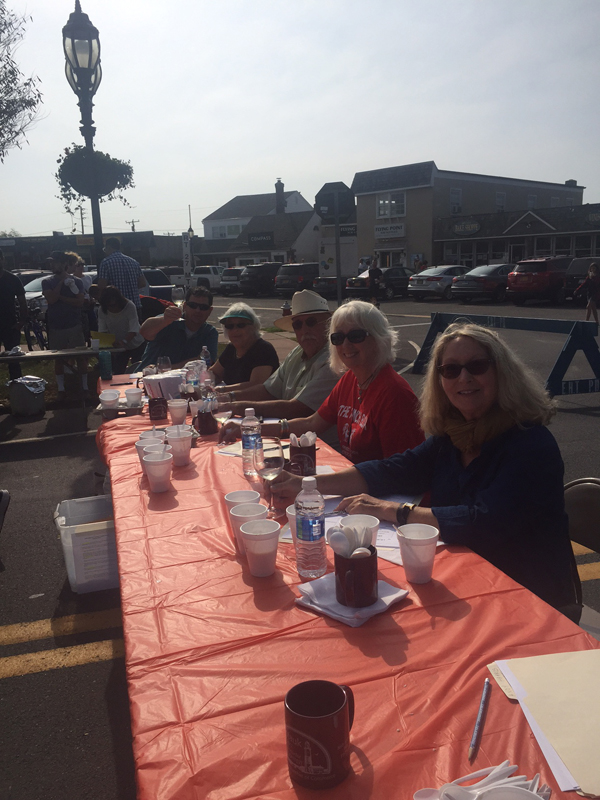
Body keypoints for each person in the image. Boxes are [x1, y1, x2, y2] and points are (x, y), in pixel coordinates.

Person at [272, 322, 582, 620]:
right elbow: (393, 470)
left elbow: (484, 521)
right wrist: (306, 484)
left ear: (502, 372)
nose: (464, 378)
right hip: (463, 579)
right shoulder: (453, 435)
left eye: (476, 366)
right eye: (451, 370)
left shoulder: (530, 444)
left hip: (530, 600)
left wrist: (392, 510)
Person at [252, 301, 423, 463]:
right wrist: (253, 430)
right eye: (338, 338)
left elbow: (402, 470)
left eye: (356, 336)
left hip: (375, 483)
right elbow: (311, 423)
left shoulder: (395, 395)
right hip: (352, 476)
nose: (346, 344)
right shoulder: (349, 379)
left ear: (379, 338)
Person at [216, 290, 339, 432]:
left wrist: (236, 406)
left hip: (318, 443)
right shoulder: (297, 353)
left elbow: (297, 408)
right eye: (297, 325)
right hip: (291, 437)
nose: (304, 330)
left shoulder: (334, 360)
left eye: (311, 322)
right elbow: (267, 390)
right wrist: (227, 397)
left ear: (328, 325)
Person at [41, 251, 89, 400]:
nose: (52, 265)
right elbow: (51, 300)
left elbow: (79, 302)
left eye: (55, 262)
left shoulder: (77, 282)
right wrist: (61, 283)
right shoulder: (47, 281)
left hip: (74, 324)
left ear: (64, 264)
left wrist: (61, 297)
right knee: (59, 358)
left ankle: (85, 387)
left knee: (80, 357)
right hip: (56, 326)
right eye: (51, 263)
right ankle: (61, 389)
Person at [137, 286, 218, 370]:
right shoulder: (169, 320)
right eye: (193, 305)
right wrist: (164, 320)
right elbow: (144, 332)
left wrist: (166, 369)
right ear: (185, 306)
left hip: (180, 377)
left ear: (210, 311)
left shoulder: (210, 332)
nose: (197, 310)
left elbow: (207, 361)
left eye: (203, 307)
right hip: (147, 376)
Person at [210, 303, 279, 387]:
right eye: (230, 326)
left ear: (253, 327)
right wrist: (206, 379)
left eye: (241, 325)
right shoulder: (231, 348)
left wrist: (223, 390)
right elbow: (215, 373)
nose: (235, 330)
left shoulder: (263, 349)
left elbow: (255, 385)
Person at [97, 286, 146, 374]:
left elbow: (134, 329)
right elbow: (102, 330)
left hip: (136, 344)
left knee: (138, 371)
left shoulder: (130, 306)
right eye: (108, 305)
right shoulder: (102, 310)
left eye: (113, 305)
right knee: (118, 371)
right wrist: (110, 343)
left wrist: (124, 341)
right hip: (118, 347)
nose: (111, 308)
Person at [97, 237, 146, 318]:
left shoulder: (106, 263)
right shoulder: (133, 262)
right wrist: (131, 286)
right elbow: (142, 283)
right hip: (135, 305)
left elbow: (102, 286)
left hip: (116, 307)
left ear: (109, 248)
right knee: (135, 326)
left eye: (105, 249)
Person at [0, 251, 28, 380]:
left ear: (3, 259)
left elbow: (23, 302)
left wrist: (21, 322)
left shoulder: (13, 279)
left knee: (14, 362)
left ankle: (17, 387)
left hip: (10, 325)